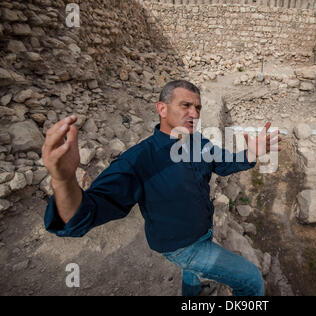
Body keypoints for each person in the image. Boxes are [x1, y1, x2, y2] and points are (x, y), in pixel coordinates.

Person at [42, 80, 282, 296]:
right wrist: (63, 180)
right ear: (162, 109)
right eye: (185, 105)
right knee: (250, 280)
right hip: (182, 247)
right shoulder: (138, 159)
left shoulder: (199, 142)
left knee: (191, 276)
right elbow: (82, 215)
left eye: (198, 108)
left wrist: (252, 153)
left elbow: (223, 163)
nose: (193, 114)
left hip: (203, 230)